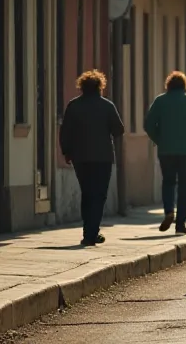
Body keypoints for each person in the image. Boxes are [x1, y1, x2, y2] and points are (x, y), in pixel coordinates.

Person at [59, 70, 125, 246]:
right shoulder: (107, 105)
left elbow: (65, 131)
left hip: (80, 157)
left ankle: (89, 232)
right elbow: (119, 130)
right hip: (103, 157)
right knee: (99, 194)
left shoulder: (73, 105)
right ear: (99, 87)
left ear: (81, 86)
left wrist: (66, 152)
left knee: (87, 193)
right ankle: (92, 233)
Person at [144, 71, 186, 235]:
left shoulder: (160, 101)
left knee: (168, 182)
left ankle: (168, 210)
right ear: (185, 85)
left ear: (168, 85)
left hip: (166, 150)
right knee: (185, 185)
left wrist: (159, 140)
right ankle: (180, 224)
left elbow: (149, 125)